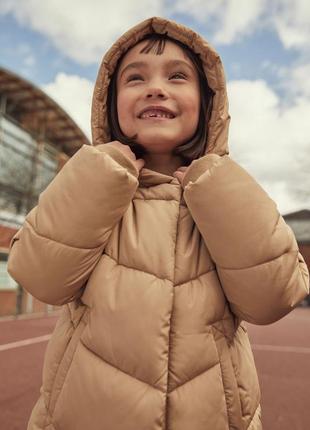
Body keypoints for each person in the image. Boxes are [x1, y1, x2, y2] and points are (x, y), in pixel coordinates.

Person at [8, 16, 309, 430]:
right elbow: (39, 276)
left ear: (207, 104)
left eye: (177, 76)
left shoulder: (226, 190)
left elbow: (273, 297)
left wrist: (216, 187)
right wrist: (101, 175)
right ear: (110, 103)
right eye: (135, 78)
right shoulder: (90, 184)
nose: (155, 87)